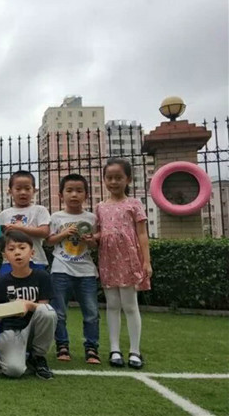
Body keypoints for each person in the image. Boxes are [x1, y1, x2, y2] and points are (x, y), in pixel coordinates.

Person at [95, 158, 152, 370]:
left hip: (129, 259)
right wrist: (91, 237)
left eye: (118, 177)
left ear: (128, 179)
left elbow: (142, 234)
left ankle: (135, 351)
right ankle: (115, 349)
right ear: (104, 180)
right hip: (107, 259)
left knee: (130, 305)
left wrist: (146, 261)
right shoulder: (100, 207)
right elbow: (100, 232)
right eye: (109, 177)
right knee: (112, 305)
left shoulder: (134, 204)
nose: (113, 182)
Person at [46, 174, 100, 364]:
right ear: (61, 195)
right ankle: (62, 346)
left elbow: (95, 245)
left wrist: (90, 240)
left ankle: (92, 348)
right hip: (60, 269)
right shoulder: (56, 217)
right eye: (69, 190)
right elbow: (49, 241)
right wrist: (63, 234)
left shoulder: (91, 218)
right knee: (59, 312)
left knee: (91, 313)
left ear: (86, 195)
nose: (74, 195)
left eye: (79, 191)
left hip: (86, 271)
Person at [0, 230, 57, 379]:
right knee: (14, 371)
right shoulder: (1, 282)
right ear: (5, 256)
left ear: (32, 253)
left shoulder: (42, 277)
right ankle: (5, 355)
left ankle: (38, 356)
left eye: (22, 248)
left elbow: (44, 307)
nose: (17, 252)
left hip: (34, 328)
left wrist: (28, 305)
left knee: (47, 311)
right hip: (11, 331)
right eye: (11, 249)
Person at [0, 170, 50, 275]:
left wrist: (20, 228)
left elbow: (45, 232)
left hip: (35, 259)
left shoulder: (40, 210)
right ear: (10, 191)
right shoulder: (4, 214)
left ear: (34, 190)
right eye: (18, 189)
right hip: (9, 261)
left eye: (27, 188)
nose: (23, 192)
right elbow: (1, 238)